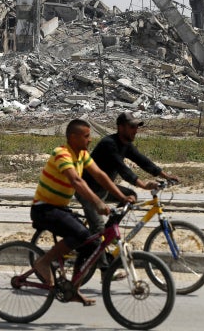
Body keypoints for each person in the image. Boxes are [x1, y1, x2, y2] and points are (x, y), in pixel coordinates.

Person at [31, 118, 134, 306]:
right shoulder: (62, 154)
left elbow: (100, 175)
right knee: (80, 234)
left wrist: (121, 196)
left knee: (91, 244)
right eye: (86, 136)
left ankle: (74, 289)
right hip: (44, 209)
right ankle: (44, 262)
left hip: (60, 209)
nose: (90, 140)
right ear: (73, 137)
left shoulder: (82, 154)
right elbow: (77, 182)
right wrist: (97, 203)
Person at [76, 111, 179, 271]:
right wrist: (143, 184)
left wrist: (165, 175)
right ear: (120, 127)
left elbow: (142, 160)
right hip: (88, 191)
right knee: (98, 229)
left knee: (130, 196)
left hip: (104, 188)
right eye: (132, 126)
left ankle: (108, 233)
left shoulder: (125, 144)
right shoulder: (109, 143)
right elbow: (123, 169)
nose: (135, 130)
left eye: (137, 126)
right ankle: (105, 269)